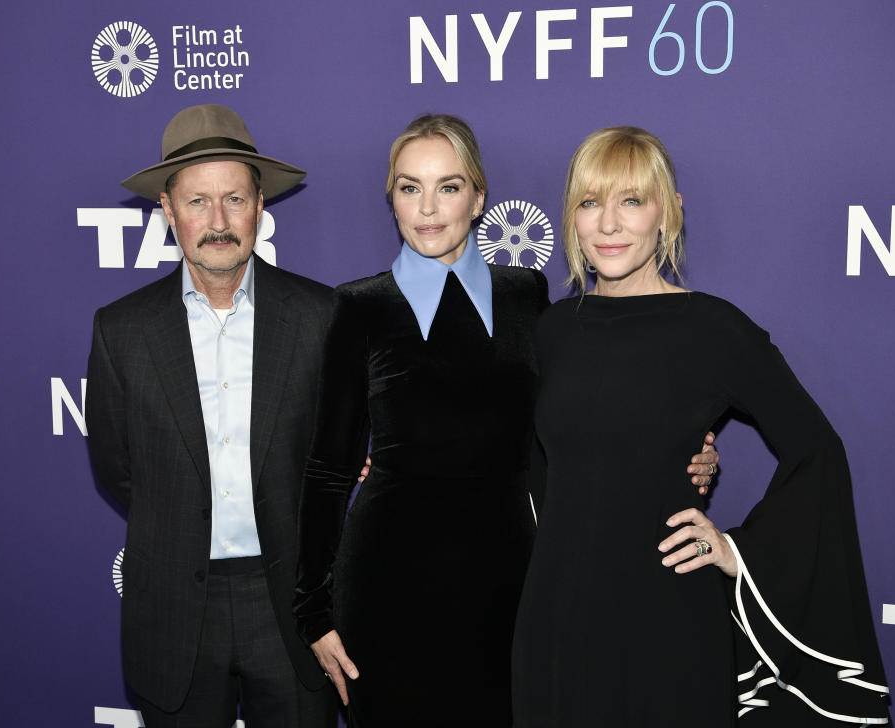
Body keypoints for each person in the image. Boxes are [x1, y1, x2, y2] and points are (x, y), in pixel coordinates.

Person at [292, 115, 718, 727]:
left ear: (479, 197)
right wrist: (314, 611)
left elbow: (579, 422)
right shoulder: (358, 307)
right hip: (387, 586)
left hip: (513, 584)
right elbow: (329, 469)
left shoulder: (526, 295)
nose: (429, 208)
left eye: (449, 186)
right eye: (410, 188)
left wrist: (686, 449)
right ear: (392, 199)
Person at [511, 126, 891, 726]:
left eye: (631, 200)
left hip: (664, 616)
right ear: (572, 218)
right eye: (590, 202)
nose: (608, 223)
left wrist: (739, 551)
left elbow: (816, 448)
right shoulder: (552, 330)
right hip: (555, 613)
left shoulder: (715, 330)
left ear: (669, 213)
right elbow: (528, 460)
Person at [86, 104, 336, 727]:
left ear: (259, 207)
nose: (218, 222)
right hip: (174, 609)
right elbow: (117, 469)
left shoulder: (321, 317)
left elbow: (335, 457)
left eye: (234, 199)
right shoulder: (121, 331)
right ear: (168, 212)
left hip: (292, 607)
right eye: (197, 202)